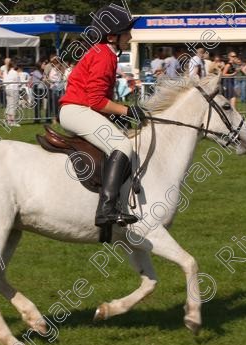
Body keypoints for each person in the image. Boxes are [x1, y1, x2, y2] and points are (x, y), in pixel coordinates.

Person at [59, 5, 142, 230]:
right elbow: (95, 100)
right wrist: (127, 110)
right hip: (76, 110)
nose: (131, 36)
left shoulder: (103, 53)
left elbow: (98, 100)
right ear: (113, 36)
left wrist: (117, 115)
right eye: (127, 32)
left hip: (79, 109)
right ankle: (106, 209)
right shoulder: (104, 55)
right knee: (123, 145)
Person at [3, 61, 20, 127]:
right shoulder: (15, 72)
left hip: (7, 89)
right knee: (13, 105)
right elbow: (18, 81)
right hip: (14, 89)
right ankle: (12, 121)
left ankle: (8, 120)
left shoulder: (7, 72)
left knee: (9, 104)